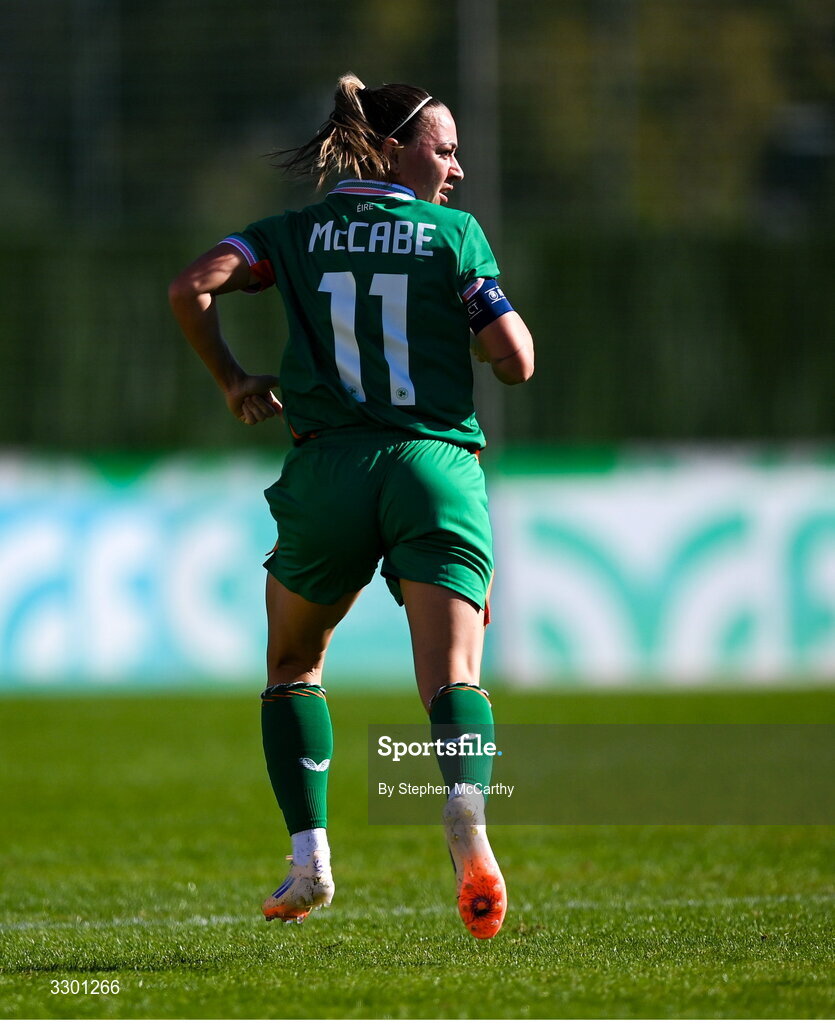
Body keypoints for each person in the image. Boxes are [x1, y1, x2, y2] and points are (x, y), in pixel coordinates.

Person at [168, 73, 534, 941]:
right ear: (396, 149)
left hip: (327, 469)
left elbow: (190, 288)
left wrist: (231, 382)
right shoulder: (453, 234)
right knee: (452, 677)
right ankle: (466, 819)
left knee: (293, 666)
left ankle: (309, 861)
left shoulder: (290, 234)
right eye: (443, 149)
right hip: (432, 466)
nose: (455, 167)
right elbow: (514, 360)